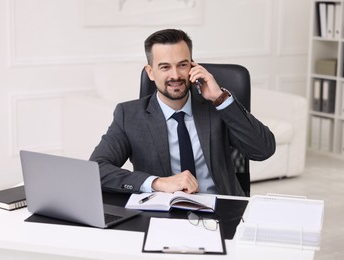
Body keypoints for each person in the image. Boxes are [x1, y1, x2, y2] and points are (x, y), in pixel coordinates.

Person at [90, 29, 275, 196]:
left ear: (193, 67)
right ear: (151, 72)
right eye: (165, 67)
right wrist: (157, 183)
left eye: (182, 65)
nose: (175, 75)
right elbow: (95, 170)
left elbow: (263, 150)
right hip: (161, 212)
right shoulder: (129, 115)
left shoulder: (215, 107)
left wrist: (220, 98)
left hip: (221, 209)